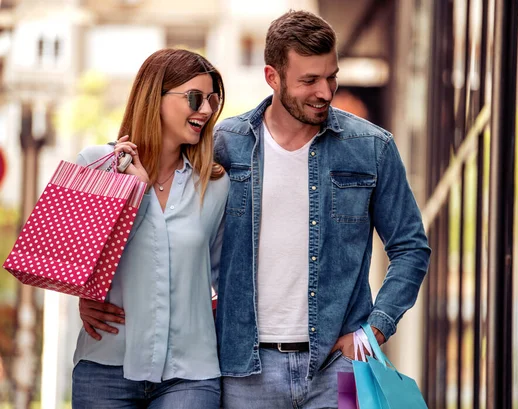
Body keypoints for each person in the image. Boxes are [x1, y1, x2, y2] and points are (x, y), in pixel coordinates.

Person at [81, 10, 431, 409]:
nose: (325, 91)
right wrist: (93, 291)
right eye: (309, 80)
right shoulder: (225, 145)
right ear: (272, 77)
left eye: (331, 76)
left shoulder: (371, 147)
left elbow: (410, 247)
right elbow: (168, 232)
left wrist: (375, 331)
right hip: (245, 371)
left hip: (340, 368)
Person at [73, 48, 229, 409]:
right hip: (106, 364)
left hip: (190, 374)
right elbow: (71, 261)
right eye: (194, 97)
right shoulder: (96, 167)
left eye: (212, 100)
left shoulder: (216, 185)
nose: (205, 110)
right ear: (153, 97)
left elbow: (227, 280)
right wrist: (135, 190)